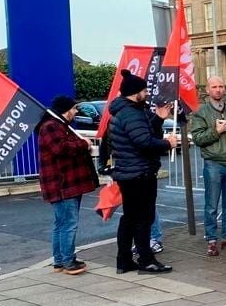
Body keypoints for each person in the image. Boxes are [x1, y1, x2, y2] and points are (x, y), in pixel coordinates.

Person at [108, 69, 177, 275]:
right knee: (142, 218)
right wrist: (167, 142)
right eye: (144, 90)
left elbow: (143, 133)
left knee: (130, 217)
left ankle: (125, 261)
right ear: (135, 92)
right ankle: (146, 260)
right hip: (139, 173)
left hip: (131, 173)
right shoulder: (131, 112)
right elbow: (143, 142)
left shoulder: (127, 111)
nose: (147, 93)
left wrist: (158, 119)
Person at [37, 95, 99, 275]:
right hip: (63, 184)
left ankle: (60, 260)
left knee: (61, 223)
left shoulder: (57, 125)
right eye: (74, 108)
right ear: (65, 109)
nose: (76, 111)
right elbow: (61, 149)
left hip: (64, 183)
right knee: (68, 223)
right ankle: (68, 261)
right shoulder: (51, 126)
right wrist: (84, 144)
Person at [190, 76, 226, 256]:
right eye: (214, 87)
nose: (218, 90)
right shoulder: (201, 112)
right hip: (213, 163)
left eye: (221, 86)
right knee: (211, 204)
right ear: (208, 90)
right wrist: (216, 131)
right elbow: (198, 138)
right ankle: (212, 239)